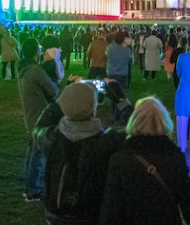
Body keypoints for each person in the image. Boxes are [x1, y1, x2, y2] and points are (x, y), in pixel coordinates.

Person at [101, 96, 190, 225]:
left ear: (135, 120)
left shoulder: (120, 159)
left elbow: (111, 208)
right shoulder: (174, 157)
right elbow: (189, 205)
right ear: (163, 120)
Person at [38, 82, 126, 225]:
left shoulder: (51, 138)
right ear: (94, 108)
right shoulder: (108, 142)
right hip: (91, 214)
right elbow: (136, 132)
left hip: (56, 213)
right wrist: (121, 100)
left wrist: (65, 98)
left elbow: (38, 127)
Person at [17, 37, 59, 202]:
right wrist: (57, 81)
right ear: (35, 51)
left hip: (30, 113)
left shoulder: (23, 68)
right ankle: (33, 190)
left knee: (32, 152)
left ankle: (29, 186)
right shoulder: (35, 70)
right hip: (39, 114)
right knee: (38, 154)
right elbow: (53, 90)